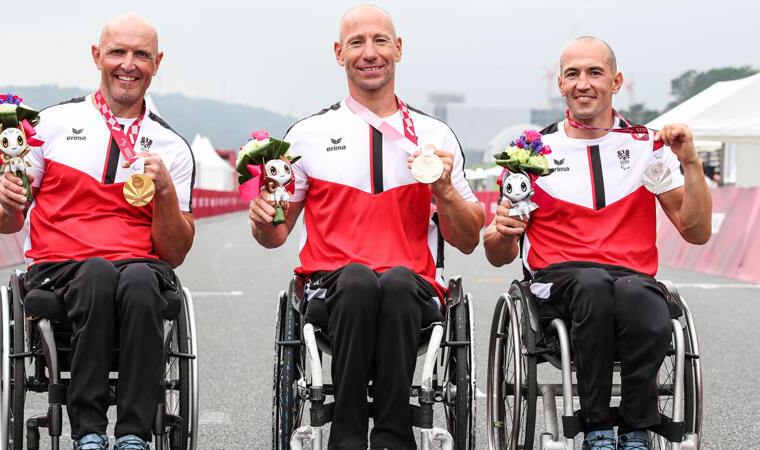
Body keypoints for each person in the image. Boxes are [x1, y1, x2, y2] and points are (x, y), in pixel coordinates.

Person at [249, 5, 484, 449]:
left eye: (380, 41)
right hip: (330, 289)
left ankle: (393, 438)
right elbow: (274, 235)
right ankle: (349, 438)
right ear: (339, 53)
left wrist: (446, 190)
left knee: (395, 281)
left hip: (411, 288)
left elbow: (469, 239)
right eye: (356, 43)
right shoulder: (308, 135)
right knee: (357, 278)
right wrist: (263, 218)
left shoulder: (435, 136)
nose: (369, 53)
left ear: (398, 49)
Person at [483, 36, 711, 450]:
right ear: (561, 84)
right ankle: (598, 426)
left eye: (594, 72)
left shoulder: (649, 146)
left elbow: (696, 231)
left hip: (630, 278)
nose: (583, 83)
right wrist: (501, 229)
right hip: (559, 282)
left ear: (616, 81)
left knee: (640, 295)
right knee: (591, 286)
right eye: (573, 74)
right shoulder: (529, 153)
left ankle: (638, 428)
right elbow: (498, 256)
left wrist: (691, 164)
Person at [0, 13, 195, 450]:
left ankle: (135, 435)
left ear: (157, 63)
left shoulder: (173, 147)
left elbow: (174, 253)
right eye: (118, 51)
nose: (128, 64)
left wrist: (164, 195)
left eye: (141, 54)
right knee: (97, 273)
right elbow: (5, 220)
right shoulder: (48, 126)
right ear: (97, 56)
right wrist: (7, 201)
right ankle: (89, 431)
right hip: (60, 268)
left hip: (140, 265)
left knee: (141, 280)